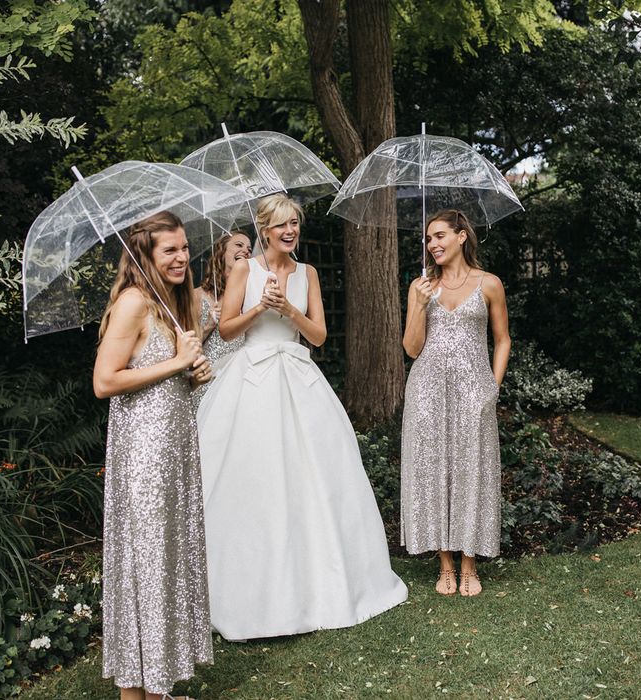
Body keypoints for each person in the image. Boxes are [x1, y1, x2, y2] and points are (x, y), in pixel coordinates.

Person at [197, 193, 407, 641]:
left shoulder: (307, 273)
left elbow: (319, 335)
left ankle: (323, 581)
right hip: (251, 380)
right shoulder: (243, 270)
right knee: (256, 478)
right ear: (264, 230)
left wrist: (289, 310)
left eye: (294, 223)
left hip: (298, 377)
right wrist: (260, 308)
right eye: (281, 225)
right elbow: (228, 328)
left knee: (316, 473)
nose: (290, 231)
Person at [93, 211, 213, 700]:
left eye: (184, 247)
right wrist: (177, 362)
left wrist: (192, 372)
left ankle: (157, 690)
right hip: (144, 458)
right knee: (144, 565)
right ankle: (133, 694)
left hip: (176, 454)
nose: (182, 256)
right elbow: (105, 381)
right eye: (170, 249)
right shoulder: (133, 303)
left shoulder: (170, 303)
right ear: (145, 253)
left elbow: (164, 374)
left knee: (167, 563)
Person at [401, 208, 511, 597]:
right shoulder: (422, 286)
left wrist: (492, 387)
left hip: (473, 392)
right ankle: (445, 564)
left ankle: (470, 563)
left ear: (462, 236)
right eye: (428, 239)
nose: (432, 244)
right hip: (427, 389)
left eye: (439, 236)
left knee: (471, 470)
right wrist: (416, 303)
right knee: (435, 471)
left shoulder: (490, 284)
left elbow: (503, 340)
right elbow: (412, 348)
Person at [191, 230, 251, 409]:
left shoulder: (250, 297)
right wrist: (209, 323)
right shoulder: (197, 296)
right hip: (208, 380)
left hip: (241, 379)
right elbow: (185, 349)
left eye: (249, 248)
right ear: (221, 252)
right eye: (238, 245)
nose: (246, 251)